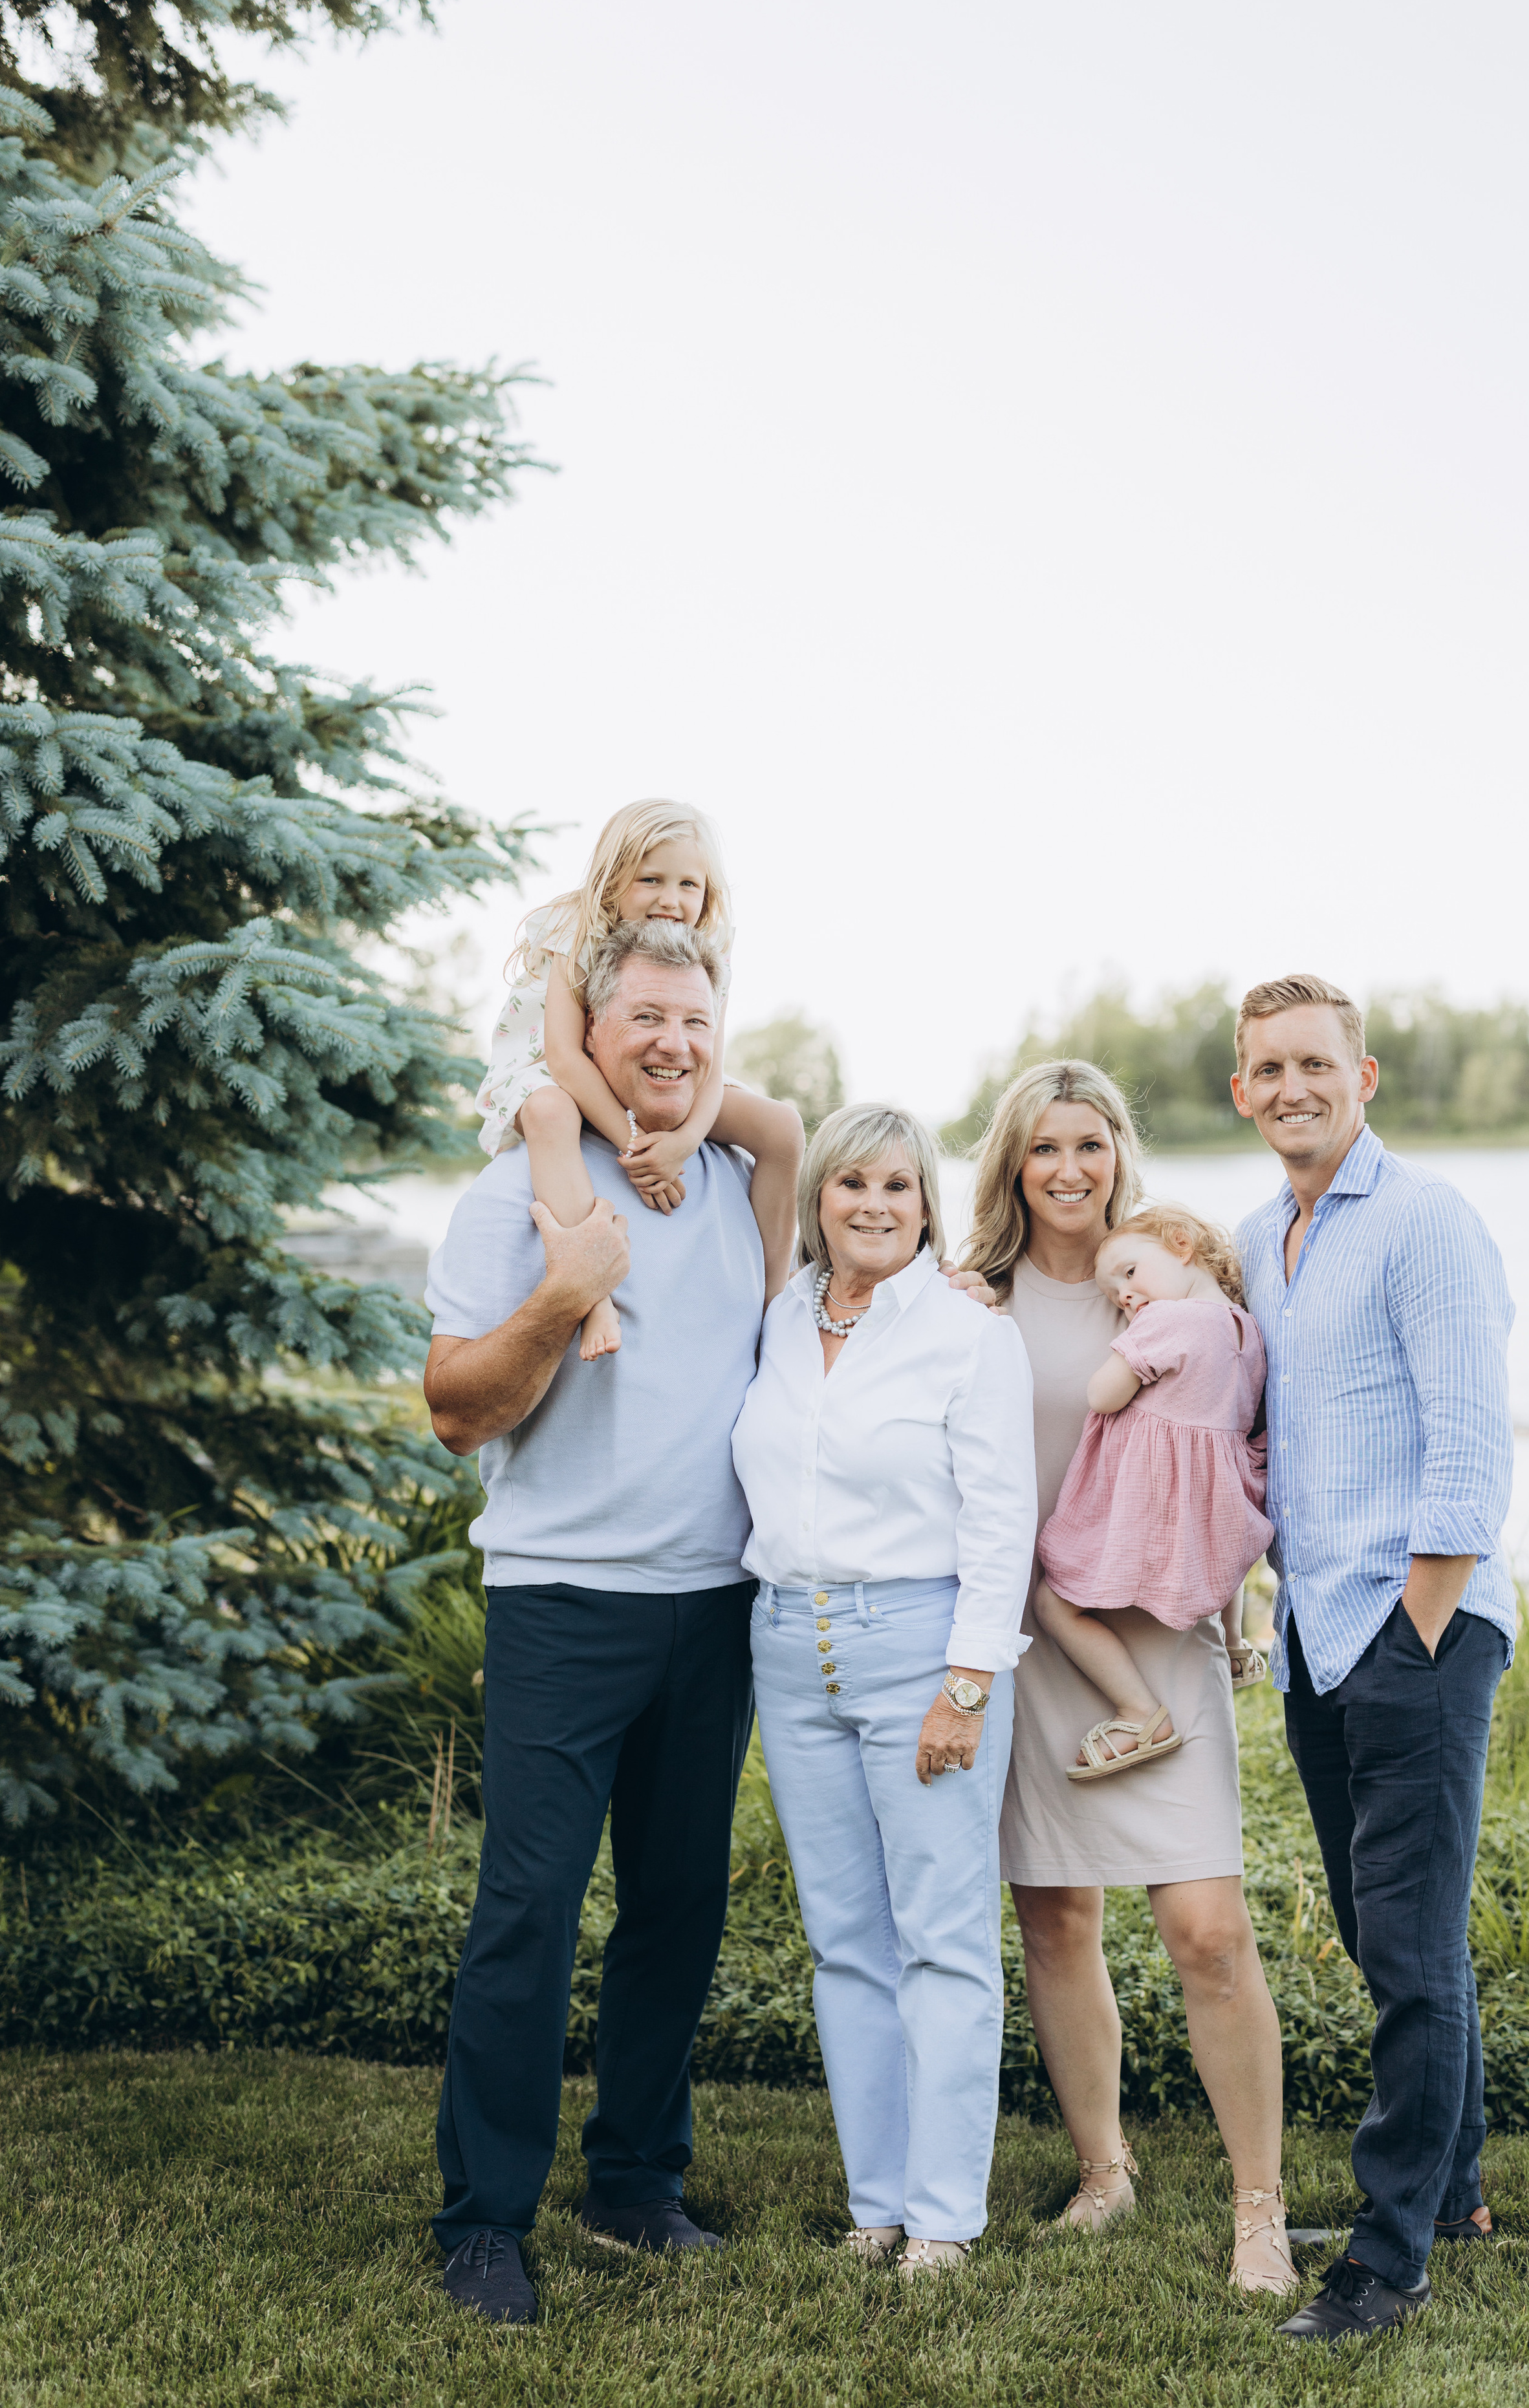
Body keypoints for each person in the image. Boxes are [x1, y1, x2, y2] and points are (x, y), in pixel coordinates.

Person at [422, 918, 770, 2326]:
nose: (673, 1047)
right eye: (644, 1022)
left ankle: (634, 2181)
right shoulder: (509, 1198)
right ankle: (482, 2220)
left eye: (695, 1022)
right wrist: (563, 1301)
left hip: (716, 1604)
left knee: (677, 1912)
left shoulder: (746, 1189)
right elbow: (456, 1409)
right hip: (563, 1603)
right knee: (527, 1914)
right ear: (590, 1028)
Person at [962, 1061, 1295, 2296]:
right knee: (1055, 1914)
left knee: (1207, 1927)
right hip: (1036, 1628)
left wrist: (1255, 1599)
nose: (1068, 1170)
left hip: (1162, 1621)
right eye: (1043, 1148)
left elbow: (1252, 1424)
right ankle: (1104, 2170)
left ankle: (1257, 2207)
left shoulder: (1169, 1283)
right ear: (1012, 1161)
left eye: (1090, 1145)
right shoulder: (971, 1295)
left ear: (1119, 1156)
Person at [1230, 975, 1515, 2345]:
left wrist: (1415, 1626)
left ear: (1365, 1074)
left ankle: (1385, 2255)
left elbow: (1467, 1444)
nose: (1291, 1087)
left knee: (1408, 1947)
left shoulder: (1423, 1223)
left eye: (1313, 1064)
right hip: (1311, 1635)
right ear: (1240, 1090)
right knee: (1381, 1934)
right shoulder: (1255, 1238)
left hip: (1414, 1634)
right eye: (1265, 1068)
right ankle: (1452, 2191)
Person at [730, 1104, 1037, 2279]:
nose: (872, 1204)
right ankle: (877, 2205)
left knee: (945, 1940)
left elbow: (1003, 1520)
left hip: (922, 1647)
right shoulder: (780, 1319)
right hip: (788, 1645)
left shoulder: (966, 1333)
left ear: (927, 1206)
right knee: (846, 1942)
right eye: (849, 1181)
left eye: (897, 1187)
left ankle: (946, 2218)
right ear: (818, 1199)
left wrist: (966, 1686)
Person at [474, 797, 803, 1357]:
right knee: (551, 1113)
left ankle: (774, 1302)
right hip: (556, 1067)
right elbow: (564, 1054)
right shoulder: (574, 927)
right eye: (651, 880)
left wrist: (683, 1141)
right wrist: (633, 1144)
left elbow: (713, 1063)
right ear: (613, 879)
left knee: (782, 1127)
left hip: (660, 1070)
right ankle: (592, 1291)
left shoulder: (710, 943)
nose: (671, 901)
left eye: (688, 886)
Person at [1033, 1205, 1275, 1779]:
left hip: (1156, 1505)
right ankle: (1236, 1645)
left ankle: (1139, 1712)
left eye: (1129, 1273)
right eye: (1115, 1292)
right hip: (1215, 1510)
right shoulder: (1249, 1329)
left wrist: (1118, 1354)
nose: (1124, 1296)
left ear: (1182, 1244)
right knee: (1227, 1550)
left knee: (1054, 1602)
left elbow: (1103, 1395)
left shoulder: (1171, 1321)